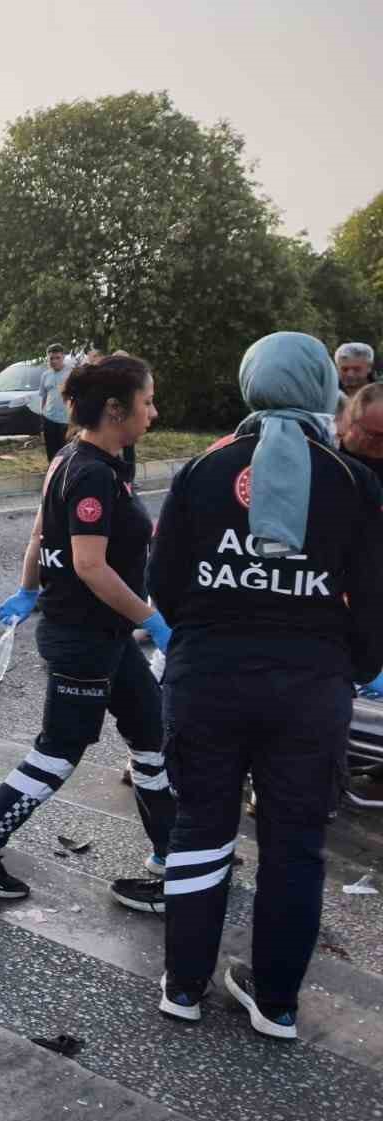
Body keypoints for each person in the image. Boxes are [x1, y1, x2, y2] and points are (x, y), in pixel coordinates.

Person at [148, 332, 383, 1038]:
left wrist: (207, 636)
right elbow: (373, 605)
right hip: (308, 690)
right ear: (321, 386)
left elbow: (163, 585)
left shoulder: (200, 470)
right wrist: (355, 669)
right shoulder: (353, 482)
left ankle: (184, 984)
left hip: (209, 680)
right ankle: (276, 1000)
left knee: (200, 829)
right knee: (295, 844)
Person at [0, 354, 173, 912]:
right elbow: (89, 566)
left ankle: (173, 852)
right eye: (147, 402)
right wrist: (152, 618)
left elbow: (42, 529)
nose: (154, 413)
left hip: (107, 638)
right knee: (59, 751)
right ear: (115, 409)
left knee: (151, 735)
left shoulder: (90, 459)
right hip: (86, 638)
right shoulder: (88, 468)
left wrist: (26, 587)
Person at [39, 343, 71, 461]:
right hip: (49, 419)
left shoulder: (71, 373)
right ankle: (53, 476)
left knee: (66, 453)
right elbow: (44, 397)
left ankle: (66, 477)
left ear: (63, 357)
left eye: (57, 358)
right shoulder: (45, 375)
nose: (54, 361)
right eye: (51, 358)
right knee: (52, 454)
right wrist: (42, 418)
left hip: (66, 421)